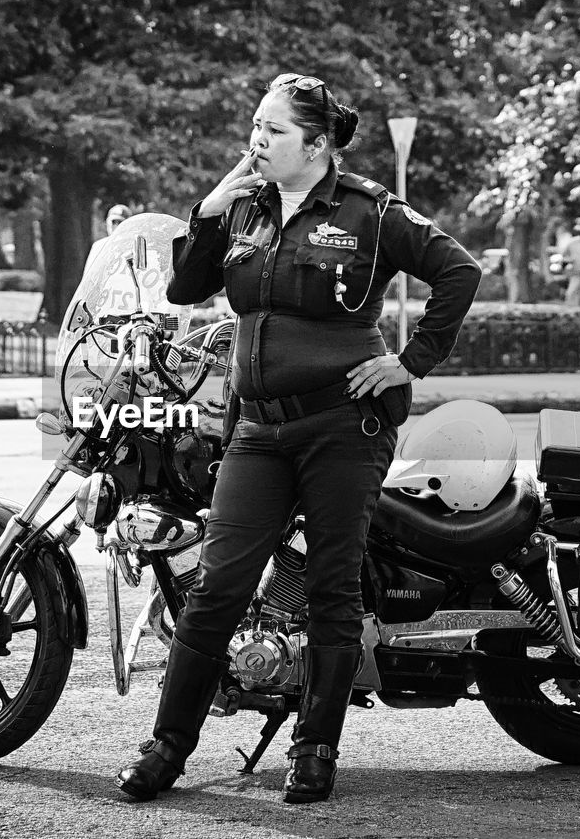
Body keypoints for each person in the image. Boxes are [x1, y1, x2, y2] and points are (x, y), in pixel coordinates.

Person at [115, 72, 481, 804]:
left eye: (274, 130)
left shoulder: (368, 211)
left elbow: (457, 270)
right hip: (257, 426)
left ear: (316, 145)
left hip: (342, 427)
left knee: (331, 589)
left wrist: (405, 362)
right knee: (217, 587)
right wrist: (210, 210)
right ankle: (166, 747)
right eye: (256, 124)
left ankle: (314, 752)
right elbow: (186, 290)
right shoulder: (245, 209)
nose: (257, 139)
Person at [82, 203, 131, 276]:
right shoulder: (99, 246)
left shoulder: (133, 246)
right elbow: (88, 276)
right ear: (107, 223)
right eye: (113, 222)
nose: (116, 225)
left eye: (120, 222)